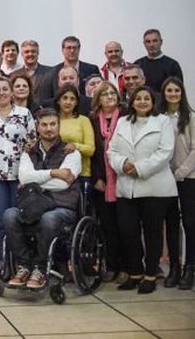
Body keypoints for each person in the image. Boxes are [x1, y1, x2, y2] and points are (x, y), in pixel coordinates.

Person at [108, 85, 177, 294]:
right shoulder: (122, 121)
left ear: (153, 102)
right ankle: (135, 273)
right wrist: (123, 164)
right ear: (132, 102)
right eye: (138, 98)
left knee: (152, 232)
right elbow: (111, 150)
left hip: (154, 186)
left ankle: (150, 275)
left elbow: (165, 151)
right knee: (128, 231)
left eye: (146, 98)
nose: (142, 101)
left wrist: (139, 168)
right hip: (126, 186)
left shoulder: (162, 121)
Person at [4, 108, 82, 289]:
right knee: (9, 215)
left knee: (48, 219)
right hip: (33, 206)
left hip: (62, 207)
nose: (49, 128)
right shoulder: (29, 152)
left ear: (59, 126)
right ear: (37, 128)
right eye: (44, 125)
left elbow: (63, 184)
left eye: (53, 124)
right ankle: (24, 266)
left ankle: (39, 268)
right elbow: (24, 178)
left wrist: (35, 181)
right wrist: (53, 173)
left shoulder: (71, 152)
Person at [0, 77, 36, 263]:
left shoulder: (24, 113)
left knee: (19, 219)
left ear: (12, 92)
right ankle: (4, 263)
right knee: (0, 220)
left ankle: (21, 263)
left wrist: (29, 147)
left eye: (5, 89)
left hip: (20, 175)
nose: (2, 92)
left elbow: (33, 141)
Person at [89, 81, 127, 284]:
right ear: (98, 99)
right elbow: (92, 152)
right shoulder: (93, 119)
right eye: (105, 94)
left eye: (113, 93)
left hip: (124, 177)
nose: (110, 96)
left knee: (126, 225)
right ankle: (112, 266)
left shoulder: (126, 116)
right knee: (108, 226)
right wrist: (96, 178)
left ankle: (128, 267)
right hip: (101, 181)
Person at [160, 77, 195, 290]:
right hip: (165, 178)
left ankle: (189, 267)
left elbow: (194, 150)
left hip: (188, 178)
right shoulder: (159, 118)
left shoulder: (190, 117)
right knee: (171, 223)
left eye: (176, 91)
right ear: (163, 94)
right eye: (169, 91)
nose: (173, 94)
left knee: (190, 223)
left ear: (182, 94)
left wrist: (180, 172)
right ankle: (174, 267)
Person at [54, 84, 95, 194]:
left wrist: (75, 146)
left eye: (72, 99)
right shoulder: (52, 121)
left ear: (76, 102)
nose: (68, 102)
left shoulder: (83, 120)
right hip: (57, 173)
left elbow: (91, 150)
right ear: (58, 101)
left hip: (81, 175)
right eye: (65, 98)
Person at [134, 29, 184, 93]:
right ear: (144, 44)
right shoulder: (138, 64)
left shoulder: (172, 65)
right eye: (148, 42)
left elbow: (178, 90)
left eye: (155, 41)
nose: (151, 44)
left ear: (161, 42)